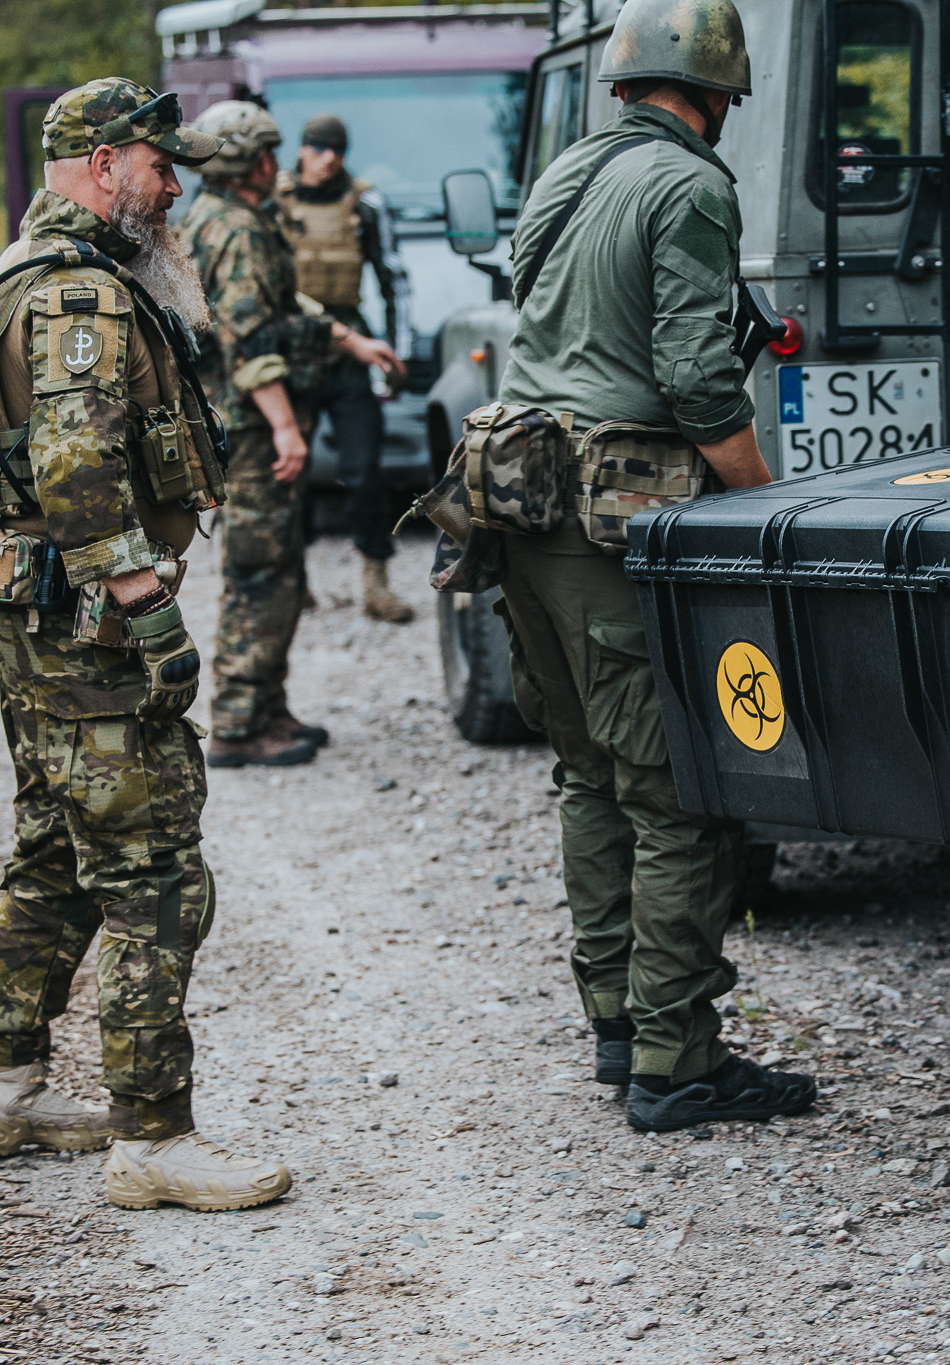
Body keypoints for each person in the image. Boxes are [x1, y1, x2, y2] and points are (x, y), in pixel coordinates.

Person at [0, 78, 292, 1212]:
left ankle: (1, 1090)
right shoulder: (78, 298)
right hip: (89, 626)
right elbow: (79, 475)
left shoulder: (23, 275)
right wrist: (152, 614)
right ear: (103, 165)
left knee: (55, 849)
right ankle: (153, 1137)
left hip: (37, 622)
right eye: (157, 164)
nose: (173, 185)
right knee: (152, 871)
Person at [493, 0, 816, 1134]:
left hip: (516, 503)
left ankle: (619, 1026)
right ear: (717, 88)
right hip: (608, 515)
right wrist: (765, 506)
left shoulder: (566, 173)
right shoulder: (688, 186)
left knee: (588, 775)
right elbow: (694, 377)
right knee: (677, 796)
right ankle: (676, 1063)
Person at [179, 101, 399, 768]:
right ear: (248, 160)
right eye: (267, 152)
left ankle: (267, 706)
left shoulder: (234, 220)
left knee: (279, 565)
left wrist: (349, 340)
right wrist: (284, 426)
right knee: (258, 571)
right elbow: (249, 340)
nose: (278, 164)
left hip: (249, 424)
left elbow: (285, 311)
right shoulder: (237, 231)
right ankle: (242, 720)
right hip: (250, 430)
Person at [272, 114, 413, 623]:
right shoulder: (274, 201)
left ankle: (376, 586)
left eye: (337, 148)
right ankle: (297, 582)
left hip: (352, 355)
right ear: (303, 149)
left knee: (365, 471)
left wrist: (395, 358)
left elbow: (394, 279)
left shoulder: (365, 203)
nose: (328, 157)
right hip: (292, 353)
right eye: (318, 147)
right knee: (291, 472)